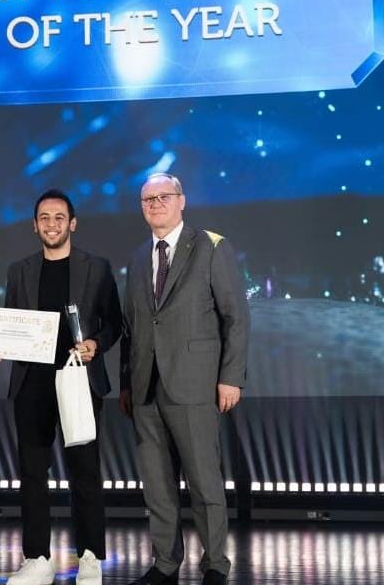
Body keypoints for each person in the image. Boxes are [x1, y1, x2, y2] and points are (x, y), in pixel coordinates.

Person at [0, 190, 122, 585]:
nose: (52, 224)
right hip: (32, 382)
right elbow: (11, 323)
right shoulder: (20, 270)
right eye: (44, 217)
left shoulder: (97, 267)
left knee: (85, 472)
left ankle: (90, 557)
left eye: (59, 217)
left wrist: (96, 343)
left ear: (72, 223)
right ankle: (37, 559)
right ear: (35, 225)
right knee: (32, 473)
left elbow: (114, 322)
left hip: (79, 378)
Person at [119, 173, 250, 585]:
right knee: (157, 486)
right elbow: (132, 326)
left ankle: (215, 564)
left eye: (164, 196)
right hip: (146, 388)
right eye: (148, 199)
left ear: (182, 201)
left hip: (195, 384)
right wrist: (127, 383)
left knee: (204, 483)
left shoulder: (211, 246)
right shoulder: (138, 257)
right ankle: (165, 563)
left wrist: (231, 377)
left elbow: (235, 317)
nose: (155, 204)